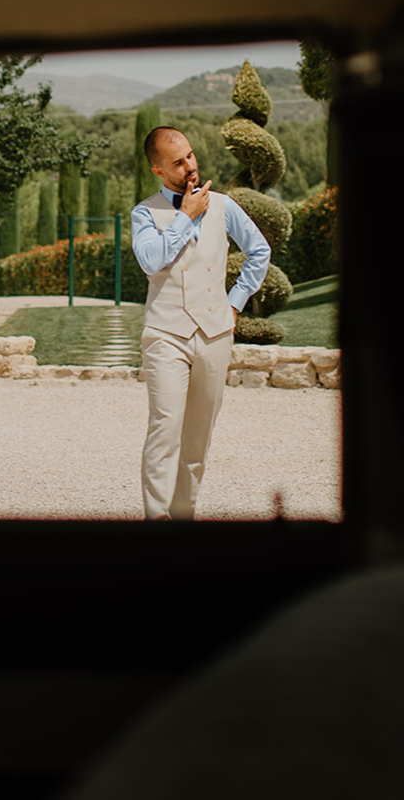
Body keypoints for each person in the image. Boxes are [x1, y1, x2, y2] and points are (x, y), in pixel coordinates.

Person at [130, 126, 271, 520]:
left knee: (197, 440)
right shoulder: (144, 213)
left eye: (190, 155)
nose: (190, 166)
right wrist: (184, 218)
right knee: (165, 429)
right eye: (178, 162)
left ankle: (184, 519)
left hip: (214, 333)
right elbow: (150, 260)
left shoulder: (225, 206)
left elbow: (259, 250)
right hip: (165, 333)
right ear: (159, 171)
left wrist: (235, 302)